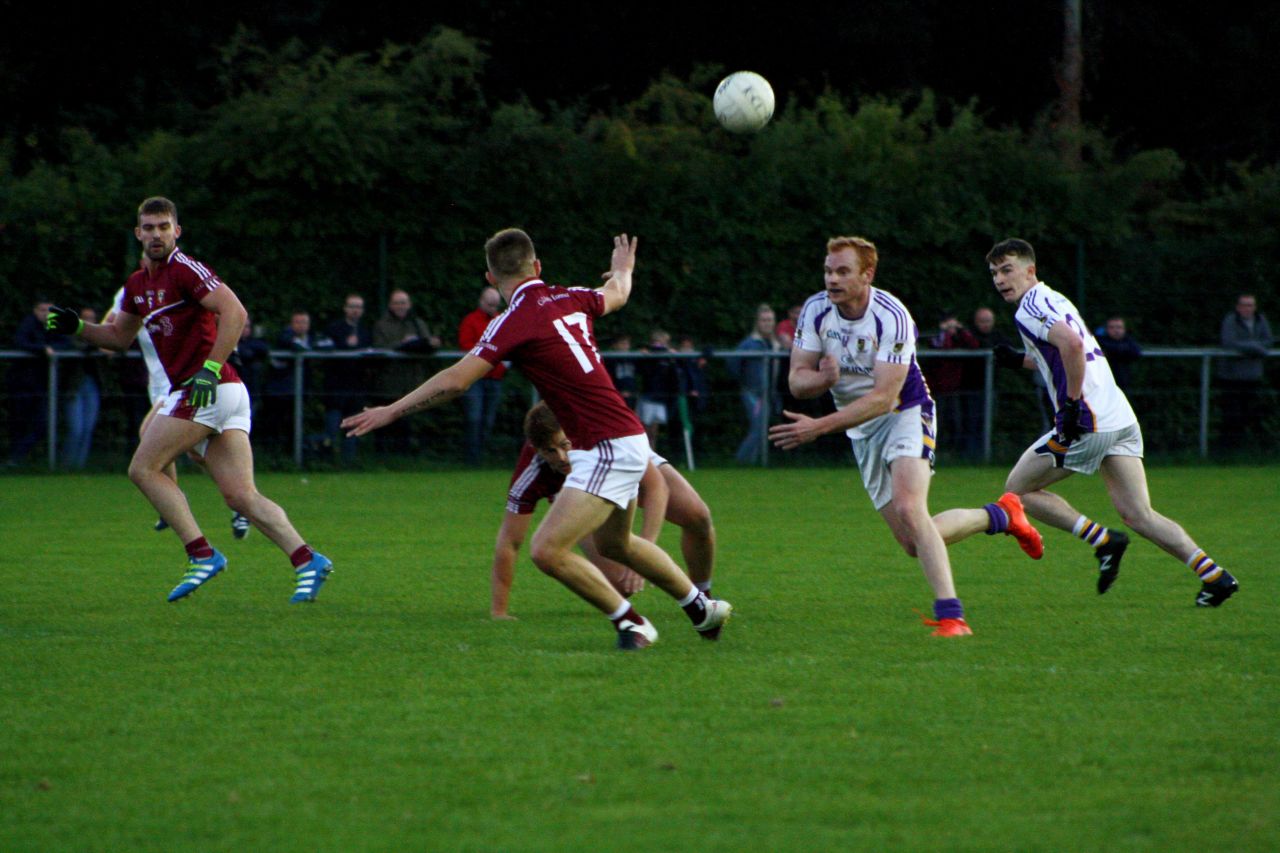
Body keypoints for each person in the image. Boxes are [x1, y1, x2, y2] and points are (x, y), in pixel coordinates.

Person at [343, 228, 730, 650]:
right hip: (623, 436)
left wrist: (391, 409)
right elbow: (617, 292)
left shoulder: (512, 320)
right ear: (538, 266)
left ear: (491, 278)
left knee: (547, 550)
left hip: (606, 445)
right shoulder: (571, 296)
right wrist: (625, 269)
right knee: (616, 544)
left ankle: (633, 623)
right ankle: (701, 609)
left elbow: (457, 381)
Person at [46, 196, 331, 603]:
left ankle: (202, 553)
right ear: (138, 233)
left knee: (143, 468)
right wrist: (78, 327)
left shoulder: (185, 270)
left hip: (209, 388)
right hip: (219, 392)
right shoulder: (137, 285)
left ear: (177, 230)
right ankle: (308, 560)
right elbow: (117, 339)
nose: (156, 234)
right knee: (240, 495)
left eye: (164, 226)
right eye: (148, 227)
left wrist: (209, 369)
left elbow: (235, 313)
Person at [768, 236, 1045, 637]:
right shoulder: (815, 310)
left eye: (843, 271)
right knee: (914, 542)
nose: (832, 279)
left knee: (909, 506)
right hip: (860, 429)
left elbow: (883, 398)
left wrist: (818, 426)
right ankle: (1001, 515)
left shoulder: (891, 314)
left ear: (867, 274)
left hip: (905, 412)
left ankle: (952, 616)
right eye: (828, 270)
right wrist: (822, 379)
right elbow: (797, 381)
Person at [986, 237, 1239, 607]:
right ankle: (1215, 576)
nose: (999, 279)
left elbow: (1071, 347)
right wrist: (1020, 360)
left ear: (1030, 270)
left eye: (1007, 269)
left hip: (1088, 420)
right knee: (1140, 514)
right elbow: (1067, 350)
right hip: (1118, 415)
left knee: (1017, 492)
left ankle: (1103, 540)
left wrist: (1070, 406)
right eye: (994, 273)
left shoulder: (1030, 308)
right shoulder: (1056, 298)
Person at [490, 401, 717, 619]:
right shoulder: (532, 472)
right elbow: (510, 541)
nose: (561, 457)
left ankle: (704, 600)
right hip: (579, 491)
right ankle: (629, 620)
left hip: (622, 460)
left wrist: (643, 552)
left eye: (565, 445)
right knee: (621, 584)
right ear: (536, 449)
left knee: (698, 515)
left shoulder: (604, 431)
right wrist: (499, 612)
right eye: (550, 451)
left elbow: (656, 487)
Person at [106, 284, 251, 538]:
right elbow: (113, 330)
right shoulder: (132, 290)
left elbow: (224, 312)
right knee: (197, 454)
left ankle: (171, 500)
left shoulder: (182, 280)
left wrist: (230, 351)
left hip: (182, 383)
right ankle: (239, 500)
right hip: (160, 384)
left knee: (147, 436)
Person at [372, 289, 440, 453]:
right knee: (386, 420)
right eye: (397, 303)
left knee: (408, 422)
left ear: (409, 305)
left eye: (403, 302)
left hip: (412, 382)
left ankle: (405, 456)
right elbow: (379, 348)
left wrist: (431, 343)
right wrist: (401, 344)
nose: (401, 306)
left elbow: (428, 345)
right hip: (389, 382)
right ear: (390, 305)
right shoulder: (381, 325)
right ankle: (382, 455)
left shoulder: (417, 324)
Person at [457, 286, 507, 465]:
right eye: (490, 304)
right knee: (474, 417)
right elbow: (466, 346)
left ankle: (483, 457)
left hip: (495, 378)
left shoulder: (502, 320)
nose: (493, 308)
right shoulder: (470, 321)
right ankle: (471, 458)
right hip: (475, 378)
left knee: (488, 420)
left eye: (496, 305)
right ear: (481, 302)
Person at [921, 309, 981, 458]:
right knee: (937, 421)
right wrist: (946, 333)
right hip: (936, 388)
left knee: (956, 421)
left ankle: (956, 453)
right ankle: (935, 451)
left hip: (955, 388)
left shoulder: (960, 336)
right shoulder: (935, 336)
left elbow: (974, 345)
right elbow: (943, 347)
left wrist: (960, 330)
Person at [1217, 294, 1273, 451]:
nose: (1248, 308)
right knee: (1232, 415)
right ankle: (1228, 450)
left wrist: (1250, 347)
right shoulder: (1231, 321)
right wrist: (1255, 348)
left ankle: (1251, 449)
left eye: (1251, 305)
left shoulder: (1261, 320)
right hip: (1232, 377)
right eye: (1244, 305)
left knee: (1252, 414)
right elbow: (1229, 342)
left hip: (1253, 376)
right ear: (1238, 307)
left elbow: (1268, 340)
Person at [727, 304, 782, 464]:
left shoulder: (775, 343)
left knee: (762, 428)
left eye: (770, 320)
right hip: (753, 393)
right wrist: (745, 381)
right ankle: (740, 462)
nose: (768, 323)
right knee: (758, 428)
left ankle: (753, 463)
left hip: (769, 393)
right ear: (757, 322)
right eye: (764, 320)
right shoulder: (749, 344)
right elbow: (733, 363)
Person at [322, 293, 373, 463]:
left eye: (358, 307)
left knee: (354, 423)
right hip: (336, 385)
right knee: (333, 422)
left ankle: (348, 461)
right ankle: (328, 457)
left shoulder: (365, 332)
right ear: (345, 309)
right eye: (352, 306)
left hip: (356, 385)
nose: (355, 310)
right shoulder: (334, 329)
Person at [7, 296, 54, 465]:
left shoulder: (53, 325)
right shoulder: (28, 324)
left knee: (41, 424)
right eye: (42, 310)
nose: (46, 314)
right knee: (19, 422)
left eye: (49, 310)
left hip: (42, 384)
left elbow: (66, 343)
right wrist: (42, 349)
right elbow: (19, 342)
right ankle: (14, 459)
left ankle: (19, 457)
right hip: (22, 384)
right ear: (35, 311)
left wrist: (53, 348)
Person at [61, 307, 104, 469]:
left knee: (88, 427)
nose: (88, 322)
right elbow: (77, 347)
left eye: (92, 318)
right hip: (74, 385)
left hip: (91, 384)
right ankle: (67, 465)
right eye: (85, 318)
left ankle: (79, 465)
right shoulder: (71, 336)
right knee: (76, 427)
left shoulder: (99, 338)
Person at [637, 328, 678, 452]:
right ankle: (646, 453)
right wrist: (645, 356)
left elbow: (674, 376)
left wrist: (673, 358)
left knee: (654, 431)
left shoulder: (668, 358)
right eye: (658, 343)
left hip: (661, 397)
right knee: (646, 429)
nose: (660, 346)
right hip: (648, 396)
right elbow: (642, 371)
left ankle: (652, 453)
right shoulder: (648, 356)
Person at [1096, 316, 1142, 392]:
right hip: (1105, 381)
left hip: (1124, 381)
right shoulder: (1100, 342)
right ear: (1106, 329)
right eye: (1112, 327)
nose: (1116, 330)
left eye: (1119, 327)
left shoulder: (1129, 341)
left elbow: (1136, 352)